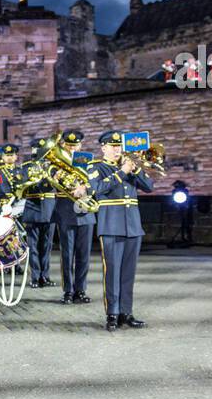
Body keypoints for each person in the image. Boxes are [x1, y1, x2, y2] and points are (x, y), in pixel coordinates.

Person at [81, 131, 152, 330]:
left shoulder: (131, 166)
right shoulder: (95, 167)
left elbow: (149, 187)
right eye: (112, 146)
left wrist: (135, 170)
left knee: (128, 273)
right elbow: (97, 189)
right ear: (103, 148)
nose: (116, 149)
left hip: (133, 226)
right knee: (112, 272)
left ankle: (126, 313)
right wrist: (122, 172)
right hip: (111, 225)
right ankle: (112, 313)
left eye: (119, 146)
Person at [52, 129, 94, 304]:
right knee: (67, 254)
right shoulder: (56, 164)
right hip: (66, 211)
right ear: (63, 145)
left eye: (75, 145)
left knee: (84, 254)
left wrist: (84, 188)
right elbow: (55, 179)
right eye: (68, 145)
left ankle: (80, 290)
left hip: (85, 211)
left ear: (80, 145)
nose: (71, 148)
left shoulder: (88, 162)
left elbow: (94, 182)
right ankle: (68, 291)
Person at [20, 138, 56, 288]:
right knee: (33, 246)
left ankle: (45, 276)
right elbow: (24, 185)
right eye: (38, 149)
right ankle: (35, 277)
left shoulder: (53, 166)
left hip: (49, 208)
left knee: (47, 245)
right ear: (33, 150)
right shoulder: (27, 166)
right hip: (33, 207)